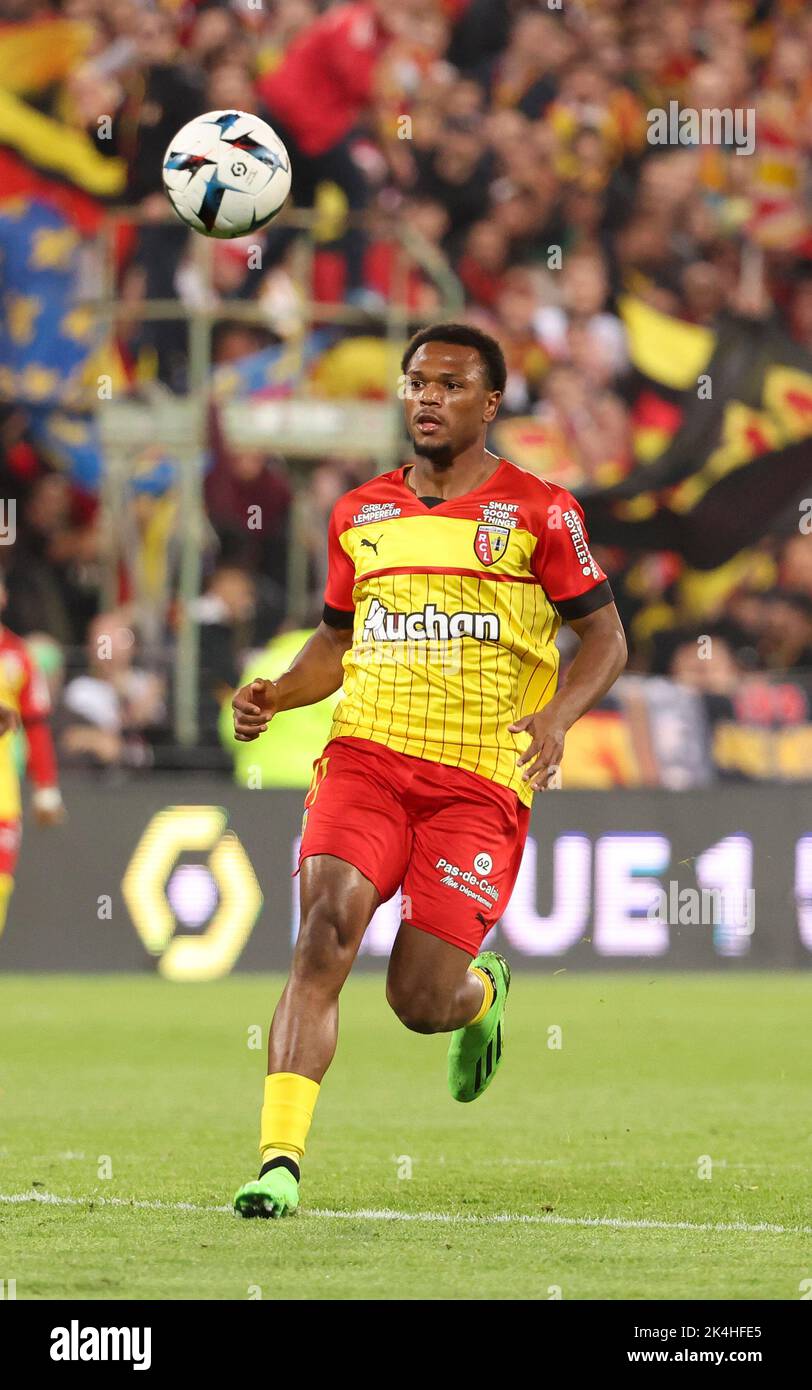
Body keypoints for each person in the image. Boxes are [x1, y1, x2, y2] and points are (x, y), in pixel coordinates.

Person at [231, 322, 627, 1218]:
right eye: (417, 383)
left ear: (490, 405)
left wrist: (559, 717)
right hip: (366, 760)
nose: (428, 398)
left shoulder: (539, 510)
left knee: (418, 998)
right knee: (325, 931)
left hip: (480, 780)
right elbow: (339, 639)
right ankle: (279, 1162)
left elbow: (607, 637)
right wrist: (280, 695)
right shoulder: (360, 513)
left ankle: (480, 993)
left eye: (450, 386)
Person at [0, 575, 64, 937]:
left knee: (1, 886)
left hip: (3, 791)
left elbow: (36, 725)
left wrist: (46, 789)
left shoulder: (18, 656)